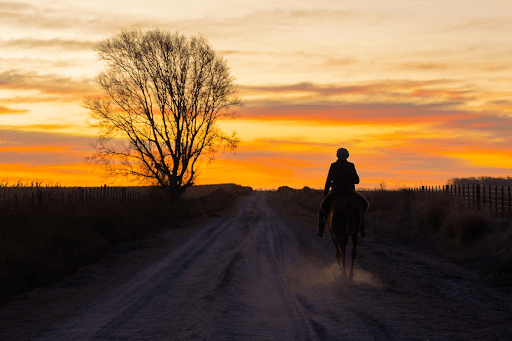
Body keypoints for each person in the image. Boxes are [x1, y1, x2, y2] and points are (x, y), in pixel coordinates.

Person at [316, 147, 369, 237]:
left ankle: (320, 229)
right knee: (364, 204)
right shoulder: (351, 165)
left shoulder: (333, 165)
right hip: (350, 192)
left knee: (323, 207)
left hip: (336, 192)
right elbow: (357, 180)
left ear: (337, 155)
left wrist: (325, 196)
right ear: (347, 156)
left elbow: (328, 182)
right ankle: (362, 229)